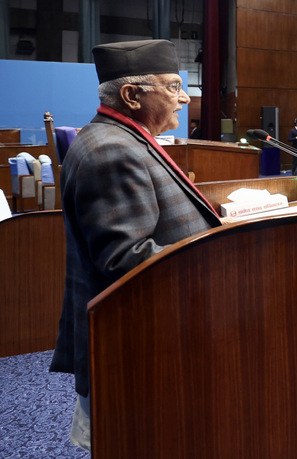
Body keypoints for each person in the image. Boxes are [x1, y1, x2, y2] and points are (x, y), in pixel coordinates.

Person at [50, 40, 222, 452]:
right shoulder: (111, 150)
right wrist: (221, 259)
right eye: (173, 86)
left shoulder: (124, 136)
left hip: (151, 335)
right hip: (138, 345)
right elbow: (128, 260)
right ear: (131, 95)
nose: (184, 98)